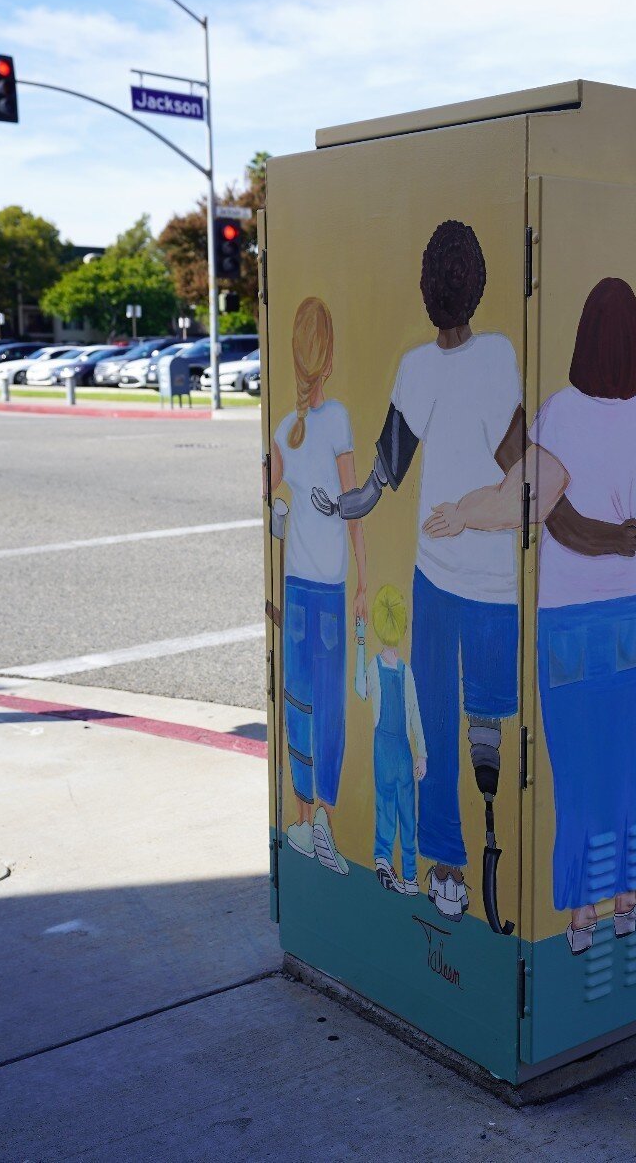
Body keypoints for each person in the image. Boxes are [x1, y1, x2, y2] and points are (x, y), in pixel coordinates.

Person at [313, 222, 634, 925]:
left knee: (432, 722)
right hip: (488, 585)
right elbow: (525, 471)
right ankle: (485, 847)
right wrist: (594, 533)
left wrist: (338, 505)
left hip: (441, 574)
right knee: (481, 727)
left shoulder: (420, 367)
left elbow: (381, 478)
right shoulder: (495, 357)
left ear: (429, 287)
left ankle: (450, 869)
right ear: (479, 282)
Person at [424, 278, 636, 954]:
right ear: (635, 346)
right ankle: (630, 898)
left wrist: (461, 514)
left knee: (575, 775)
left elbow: (519, 501)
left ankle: (581, 920)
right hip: (633, 622)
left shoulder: (562, 414)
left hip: (567, 626)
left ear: (583, 341)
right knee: (629, 770)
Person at [270, 296, 368, 874]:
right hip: (329, 591)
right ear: (327, 361)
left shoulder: (286, 430)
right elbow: (354, 505)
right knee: (327, 707)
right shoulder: (337, 421)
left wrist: (282, 506)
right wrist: (364, 578)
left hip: (298, 592)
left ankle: (304, 824)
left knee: (299, 701)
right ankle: (322, 827)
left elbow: (272, 493)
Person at [355, 585, 427, 897]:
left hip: (381, 747)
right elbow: (414, 714)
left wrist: (360, 641)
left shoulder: (373, 665)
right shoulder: (406, 671)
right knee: (407, 811)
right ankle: (410, 876)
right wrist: (421, 753)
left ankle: (383, 857)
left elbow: (361, 690)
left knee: (385, 804)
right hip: (401, 747)